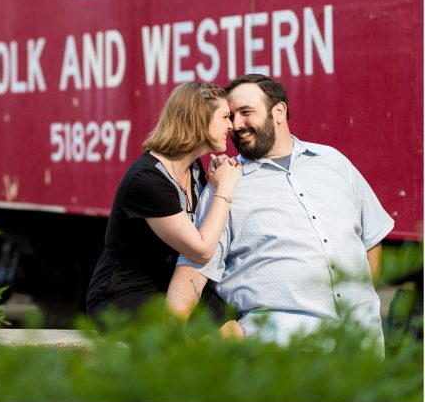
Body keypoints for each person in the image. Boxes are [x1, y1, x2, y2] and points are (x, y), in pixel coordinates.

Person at [166, 74, 393, 351]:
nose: (236, 125)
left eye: (246, 113)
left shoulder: (334, 162)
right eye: (231, 116)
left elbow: (370, 240)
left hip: (362, 349)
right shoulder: (225, 184)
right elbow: (193, 270)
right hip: (283, 353)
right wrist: (177, 343)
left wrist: (360, 299)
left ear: (279, 112)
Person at [86, 82, 242, 318]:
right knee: (181, 345)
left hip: (171, 283)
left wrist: (212, 183)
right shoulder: (148, 179)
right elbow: (201, 250)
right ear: (199, 119)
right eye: (225, 117)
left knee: (234, 329)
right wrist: (224, 187)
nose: (231, 126)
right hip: (126, 292)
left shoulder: (193, 168)